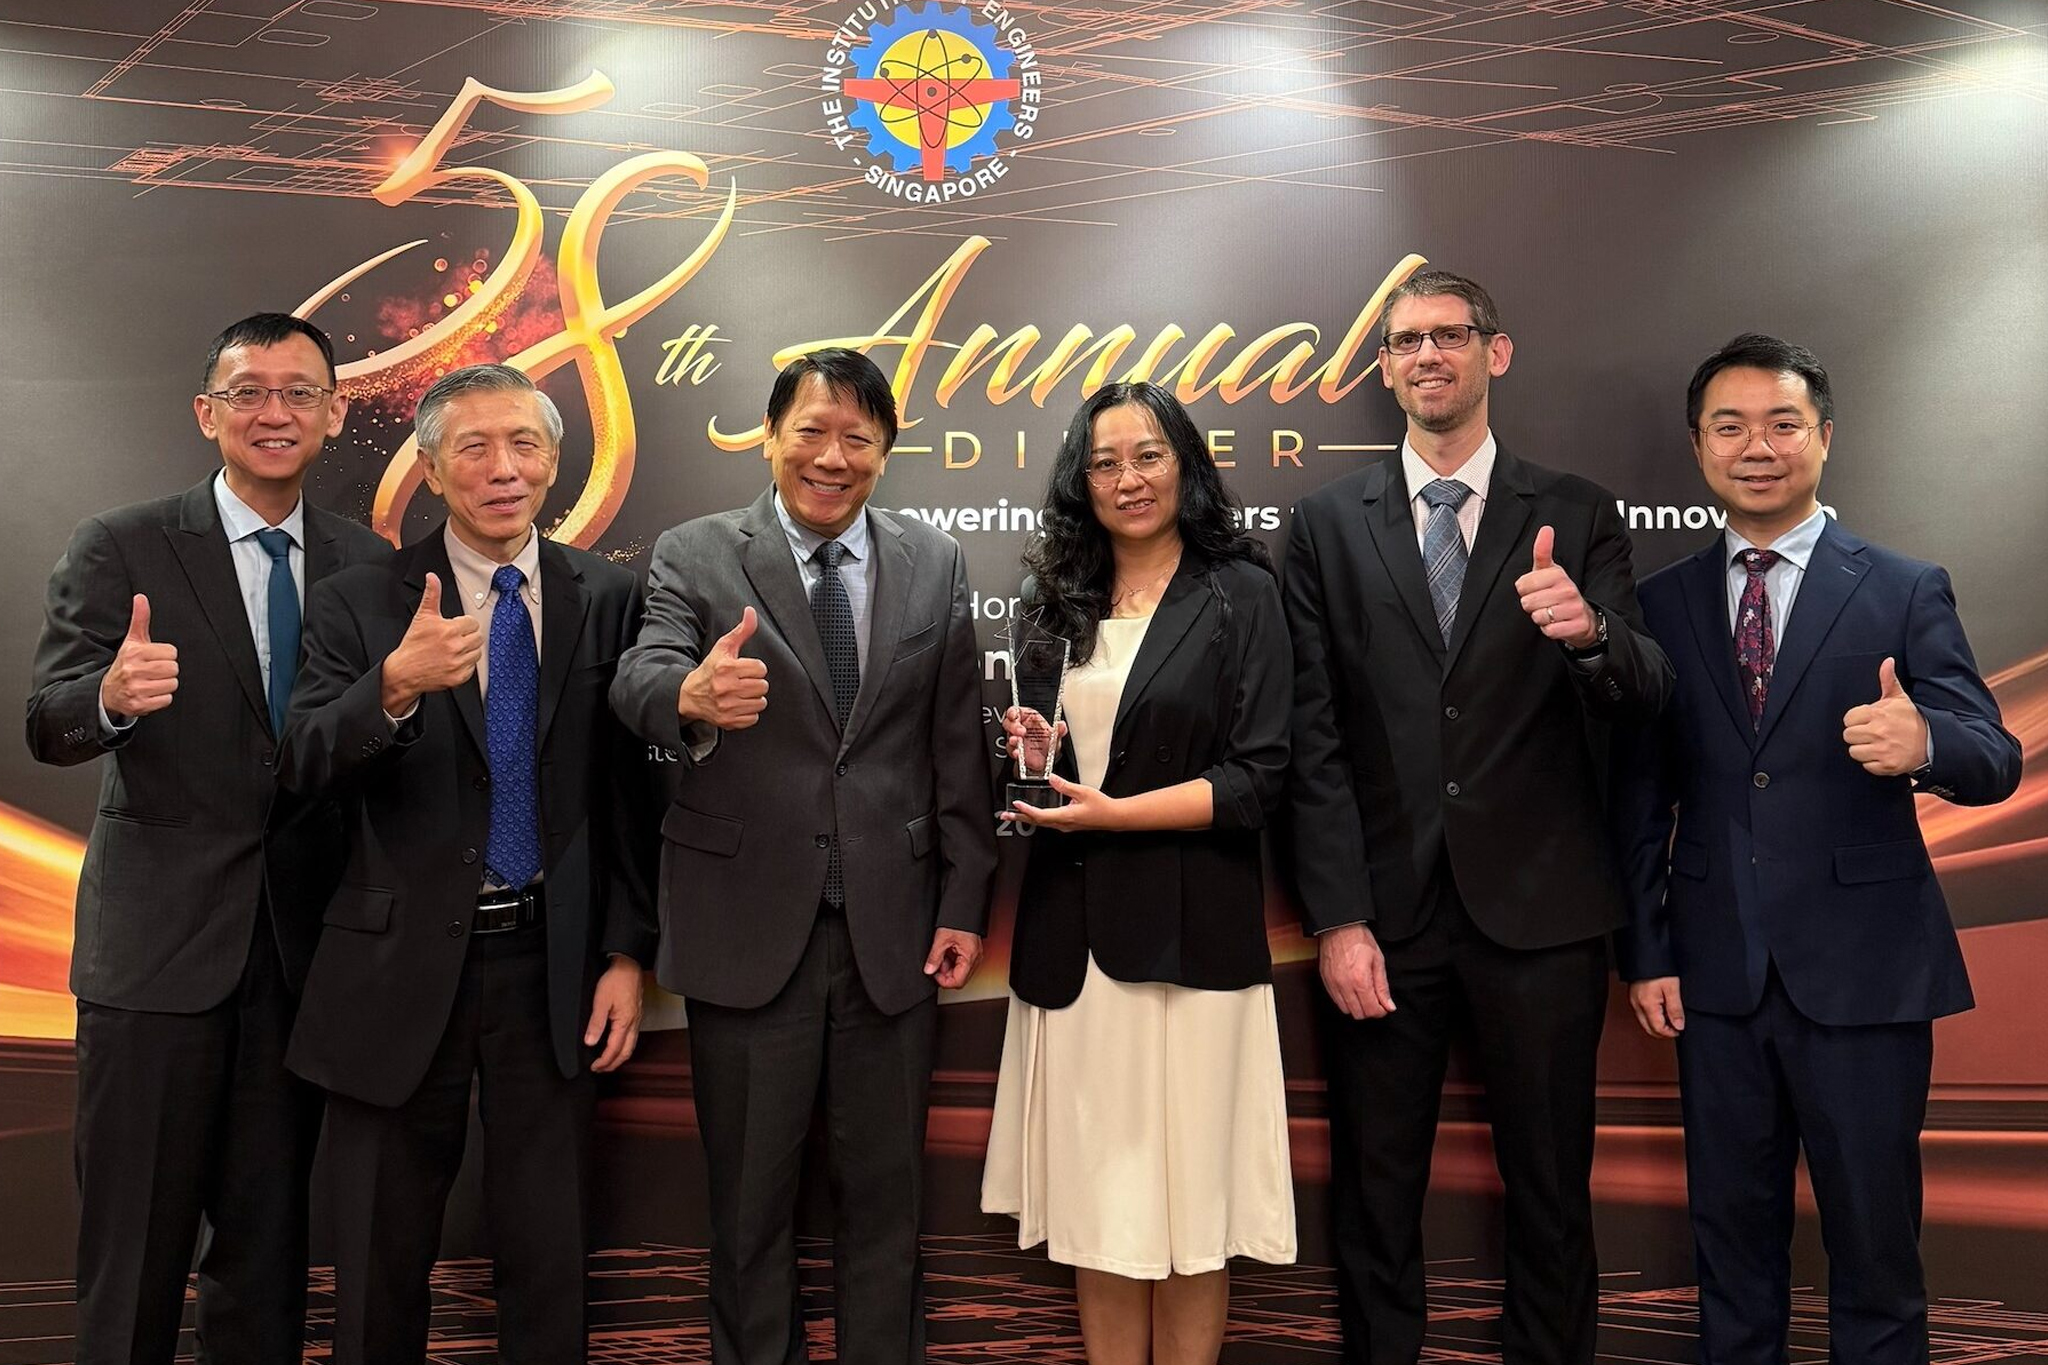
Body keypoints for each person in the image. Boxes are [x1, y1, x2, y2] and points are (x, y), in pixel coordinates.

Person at [1282, 270, 1672, 1364]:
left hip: (1543, 917)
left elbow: (1643, 692)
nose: (1426, 357)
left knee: (1551, 1197)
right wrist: (1337, 919)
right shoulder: (1322, 525)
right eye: (1404, 342)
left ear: (1492, 354)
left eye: (1448, 336)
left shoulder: (1577, 510)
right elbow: (1311, 734)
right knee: (1373, 1198)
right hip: (1383, 922)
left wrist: (1587, 631)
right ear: (1383, 367)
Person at [1614, 334, 2021, 1365]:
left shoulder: (1899, 586)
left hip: (1867, 975)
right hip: (1714, 978)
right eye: (1729, 425)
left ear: (1823, 438)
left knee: (1875, 1255)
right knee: (1730, 1257)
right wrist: (1648, 951)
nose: (1757, 445)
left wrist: (1923, 741)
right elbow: (1637, 794)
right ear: (1698, 446)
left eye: (1781, 422)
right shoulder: (1656, 605)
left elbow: (1992, 756)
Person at [609, 347, 996, 1365]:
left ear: (884, 451)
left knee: (886, 1212)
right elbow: (641, 669)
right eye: (811, 433)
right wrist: (686, 696)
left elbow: (956, 744)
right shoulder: (694, 553)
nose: (831, 457)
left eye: (856, 440)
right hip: (743, 931)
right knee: (746, 1215)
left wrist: (962, 903)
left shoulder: (934, 560)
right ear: (770, 436)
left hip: (893, 934)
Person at [275, 363, 656, 1365]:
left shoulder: (607, 595)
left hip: (553, 970)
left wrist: (624, 952)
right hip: (394, 973)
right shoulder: (357, 601)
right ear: (434, 471)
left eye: (523, 445)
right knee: (375, 1260)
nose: (502, 469)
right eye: (473, 449)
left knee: (549, 1253)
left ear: (552, 462)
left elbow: (627, 799)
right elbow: (304, 764)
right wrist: (392, 687)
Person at [25, 313, 388, 1364]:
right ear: (208, 412)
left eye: (298, 392)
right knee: (130, 1250)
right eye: (248, 391)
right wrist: (110, 696)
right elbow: (47, 722)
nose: (273, 412)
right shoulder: (123, 543)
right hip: (155, 960)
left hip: (303, 961)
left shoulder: (370, 565)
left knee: (268, 1259)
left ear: (333, 410)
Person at [979, 382, 1297, 1365]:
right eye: (1104, 461)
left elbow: (1258, 777)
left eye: (1147, 455)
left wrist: (1120, 813)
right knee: (1097, 1215)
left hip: (1194, 940)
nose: (1126, 478)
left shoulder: (1239, 590)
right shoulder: (1049, 601)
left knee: (1192, 1212)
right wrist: (1032, 758)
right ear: (1081, 480)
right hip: (1073, 949)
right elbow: (1035, 783)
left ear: (1185, 464)